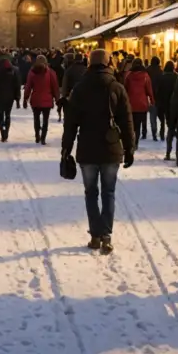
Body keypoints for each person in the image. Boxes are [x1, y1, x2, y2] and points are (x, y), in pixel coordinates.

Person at [61, 49, 135, 254]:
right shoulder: (116, 87)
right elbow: (126, 121)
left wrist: (66, 148)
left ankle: (95, 235)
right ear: (108, 63)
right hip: (111, 148)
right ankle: (106, 235)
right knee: (108, 192)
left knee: (91, 192)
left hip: (87, 148)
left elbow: (71, 123)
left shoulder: (80, 88)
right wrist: (129, 148)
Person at [24, 54, 60, 144]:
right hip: (47, 100)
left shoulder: (32, 72)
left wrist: (25, 98)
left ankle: (37, 136)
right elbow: (55, 87)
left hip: (35, 99)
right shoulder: (50, 72)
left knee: (36, 119)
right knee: (45, 120)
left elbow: (28, 86)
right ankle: (43, 138)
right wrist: (57, 99)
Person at [0, 53, 21, 141]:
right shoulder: (14, 70)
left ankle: (2, 132)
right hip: (10, 97)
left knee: (0, 115)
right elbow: (17, 85)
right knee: (7, 114)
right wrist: (17, 98)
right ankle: (6, 132)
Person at [123, 58, 154, 148]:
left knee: (131, 124)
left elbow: (125, 89)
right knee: (138, 125)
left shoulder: (128, 75)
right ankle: (135, 142)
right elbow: (149, 90)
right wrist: (152, 100)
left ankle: (130, 141)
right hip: (142, 104)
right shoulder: (145, 75)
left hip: (130, 103)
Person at [156, 61, 178, 160]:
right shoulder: (177, 77)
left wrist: (158, 103)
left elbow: (158, 91)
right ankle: (177, 153)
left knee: (169, 125)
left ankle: (168, 152)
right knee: (174, 126)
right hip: (174, 105)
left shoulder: (162, 78)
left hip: (164, 104)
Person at [146, 56, 165, 140]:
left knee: (152, 116)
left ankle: (154, 132)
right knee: (161, 117)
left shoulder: (147, 71)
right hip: (160, 97)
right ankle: (162, 131)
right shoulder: (161, 72)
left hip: (150, 96)